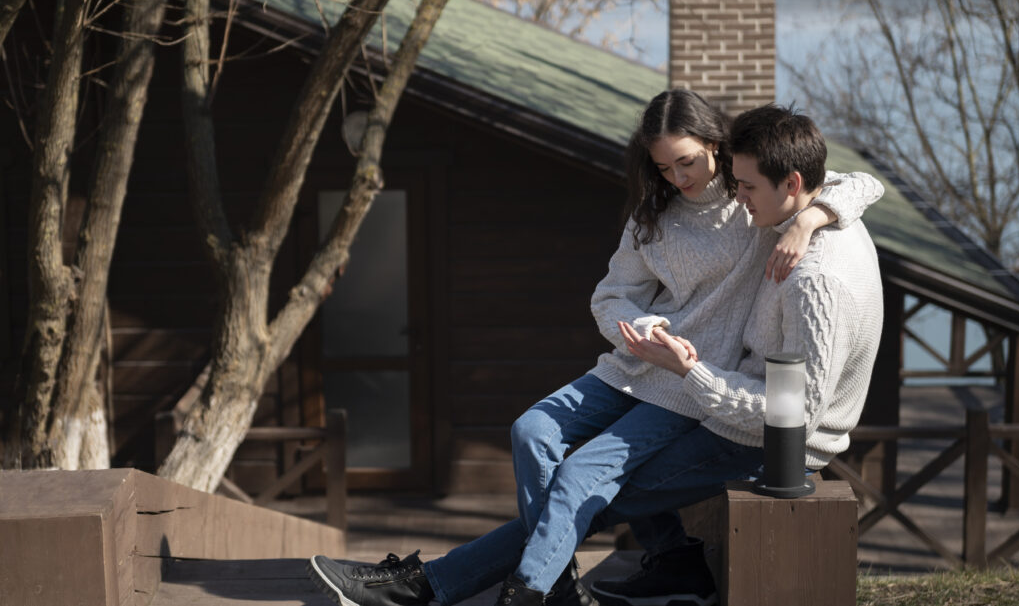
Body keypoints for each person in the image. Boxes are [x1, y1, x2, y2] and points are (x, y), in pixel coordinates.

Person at [306, 92, 882, 606]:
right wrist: (643, 324)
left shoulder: (754, 202)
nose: (680, 177)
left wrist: (809, 220)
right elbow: (610, 298)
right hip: (645, 366)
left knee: (582, 485)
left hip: (699, 387)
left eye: (688, 161)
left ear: (717, 146)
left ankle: (453, 586)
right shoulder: (659, 215)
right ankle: (560, 580)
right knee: (533, 433)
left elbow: (859, 183)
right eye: (664, 167)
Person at [589, 103, 885, 606]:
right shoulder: (798, 216)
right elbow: (858, 184)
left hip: (763, 441)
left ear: (790, 183)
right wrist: (809, 217)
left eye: (745, 187)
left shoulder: (815, 281)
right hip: (737, 406)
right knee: (592, 471)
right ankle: (673, 567)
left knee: (602, 486)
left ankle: (486, 583)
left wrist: (692, 373)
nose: (737, 198)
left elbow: (793, 418)